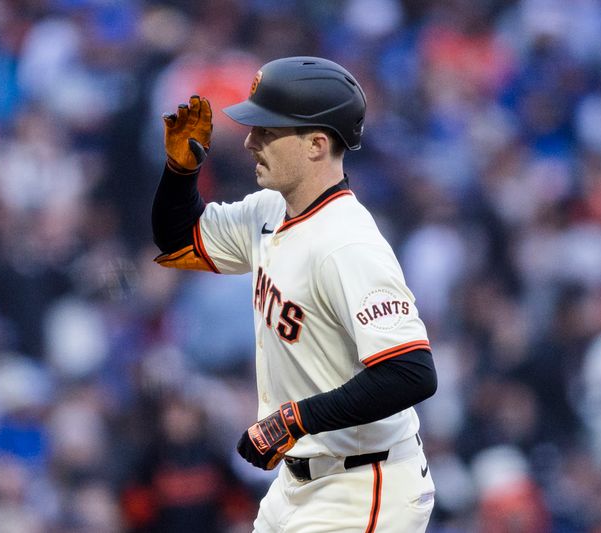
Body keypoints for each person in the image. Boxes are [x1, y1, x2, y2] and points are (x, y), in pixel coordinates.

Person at [151, 56, 437, 532]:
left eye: (267, 130)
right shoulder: (270, 210)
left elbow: (411, 373)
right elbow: (179, 240)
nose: (249, 141)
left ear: (317, 144)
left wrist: (293, 420)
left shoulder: (348, 244)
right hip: (297, 484)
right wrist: (181, 172)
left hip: (363, 486)